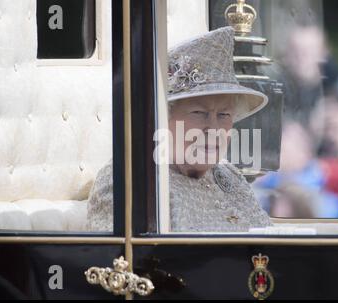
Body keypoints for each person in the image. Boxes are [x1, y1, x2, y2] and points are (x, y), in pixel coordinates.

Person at [87, 27, 272, 232]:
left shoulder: (228, 174)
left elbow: (267, 244)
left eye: (224, 115)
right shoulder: (131, 179)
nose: (214, 129)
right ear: (162, 118)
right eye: (199, 113)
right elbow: (122, 259)